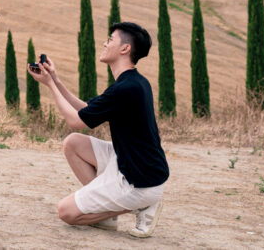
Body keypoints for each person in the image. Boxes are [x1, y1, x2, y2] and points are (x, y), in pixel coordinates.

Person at [28, 21, 169, 238]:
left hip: (140, 180)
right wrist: (54, 80)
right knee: (73, 143)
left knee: (66, 212)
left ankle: (142, 204)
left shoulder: (126, 88)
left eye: (110, 40)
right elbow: (86, 110)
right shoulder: (132, 82)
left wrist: (48, 85)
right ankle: (107, 214)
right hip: (132, 162)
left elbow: (76, 121)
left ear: (125, 48)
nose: (104, 43)